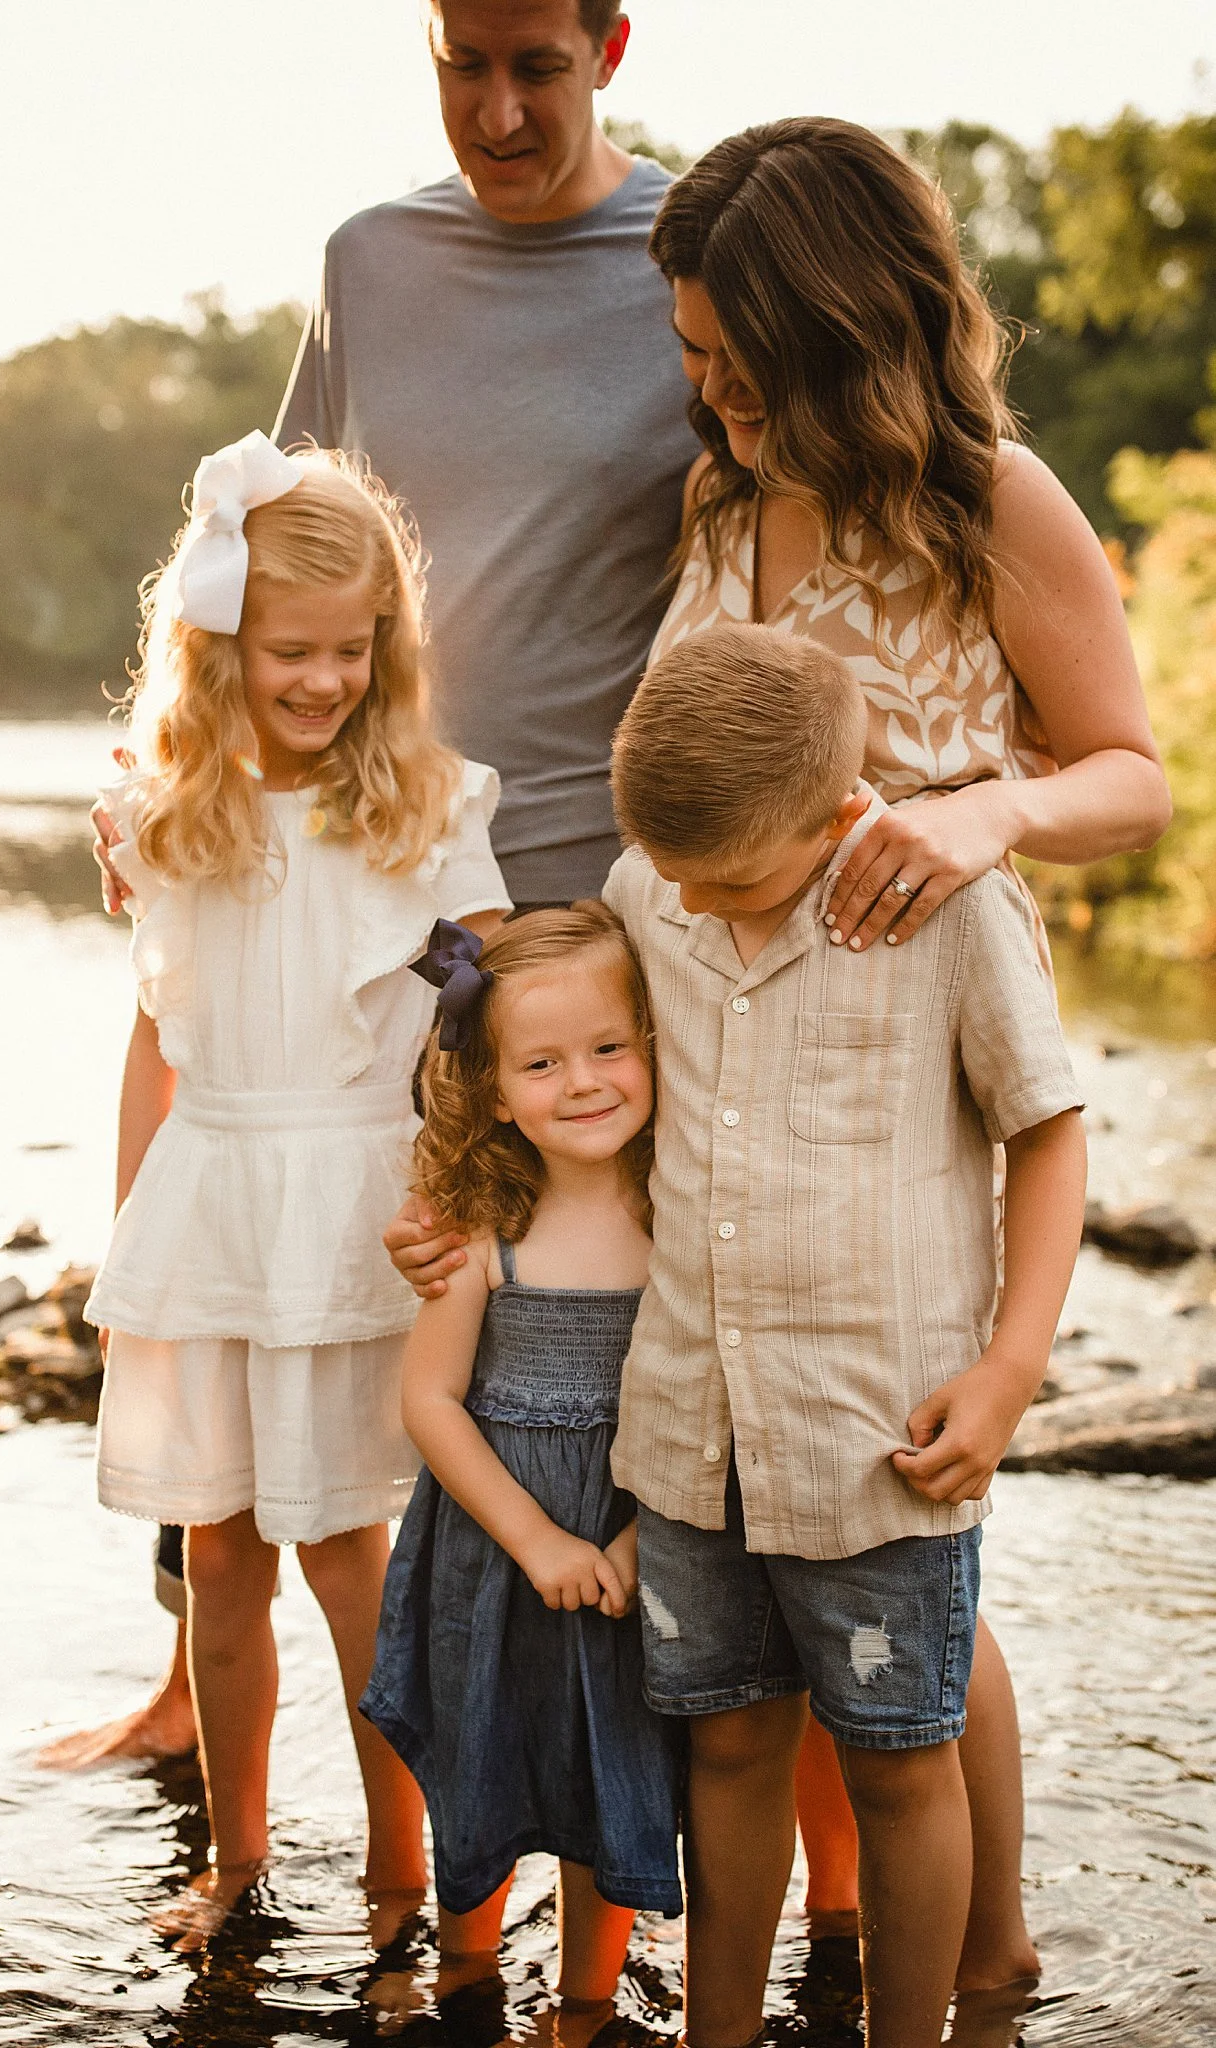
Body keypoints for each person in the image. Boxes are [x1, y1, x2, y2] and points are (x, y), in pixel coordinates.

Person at [390, 113, 1172, 1990]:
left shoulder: (992, 503)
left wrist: (987, 811)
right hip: (713, 1059)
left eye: (740, 363)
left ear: (846, 328)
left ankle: (983, 1959)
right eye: (691, 362)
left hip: (905, 1056)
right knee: (759, 1552)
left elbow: (1128, 775)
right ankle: (841, 1942)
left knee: (902, 1546)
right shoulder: (724, 507)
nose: (713, 398)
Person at [74, 0, 699, 1775]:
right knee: (246, 1248)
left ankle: (584, 1769)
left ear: (611, 45)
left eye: (537, 67)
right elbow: (259, 550)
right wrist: (158, 772)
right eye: (460, 61)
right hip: (323, 862)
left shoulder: (686, 264)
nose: (497, 109)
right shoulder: (370, 259)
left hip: (579, 909)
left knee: (553, 1360)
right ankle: (204, 1690)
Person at [607, 619, 1088, 2048]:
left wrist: (1011, 1372)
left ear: (835, 816)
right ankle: (721, 2031)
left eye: (735, 880)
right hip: (694, 1429)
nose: (701, 900)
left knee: (898, 1764)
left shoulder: (955, 910)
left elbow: (1050, 1137)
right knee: (733, 1740)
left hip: (881, 1434)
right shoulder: (655, 887)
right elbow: (521, 1003)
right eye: (678, 876)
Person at [81, 429, 512, 1944]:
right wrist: (133, 1237)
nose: (322, 679)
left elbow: (480, 1022)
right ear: (216, 650)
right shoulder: (164, 816)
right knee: (216, 1554)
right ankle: (242, 1863)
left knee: (347, 1554)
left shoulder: (427, 810)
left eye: (350, 650)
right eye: (287, 652)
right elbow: (156, 1041)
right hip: (213, 1201)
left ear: (385, 649)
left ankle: (406, 1880)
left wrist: (462, 1194)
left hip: (353, 1211)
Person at [359, 906, 683, 2032]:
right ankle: (466, 1975)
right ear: (495, 1090)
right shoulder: (480, 1222)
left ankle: (586, 2001)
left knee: (615, 1766)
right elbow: (429, 1399)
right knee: (482, 1749)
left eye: (609, 1047)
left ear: (655, 1044)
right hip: (493, 1549)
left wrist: (647, 1538)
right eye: (542, 1062)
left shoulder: (685, 1219)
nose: (584, 1082)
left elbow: (706, 1401)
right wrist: (537, 1538)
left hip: (635, 1541)